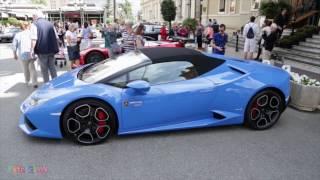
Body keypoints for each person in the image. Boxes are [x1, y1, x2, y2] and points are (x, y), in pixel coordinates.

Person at [31, 11, 59, 83]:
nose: (33, 18)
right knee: (52, 67)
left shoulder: (35, 24)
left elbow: (34, 39)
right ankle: (56, 83)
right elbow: (56, 37)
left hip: (42, 50)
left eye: (33, 16)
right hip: (51, 50)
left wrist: (32, 50)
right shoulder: (50, 24)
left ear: (36, 16)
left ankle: (47, 85)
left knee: (44, 69)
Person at [12, 21, 38, 88]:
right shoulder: (31, 34)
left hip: (23, 55)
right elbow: (35, 42)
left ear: (21, 27)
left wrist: (14, 54)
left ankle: (27, 81)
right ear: (28, 26)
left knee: (25, 69)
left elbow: (14, 45)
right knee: (33, 68)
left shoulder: (18, 35)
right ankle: (35, 82)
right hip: (31, 53)